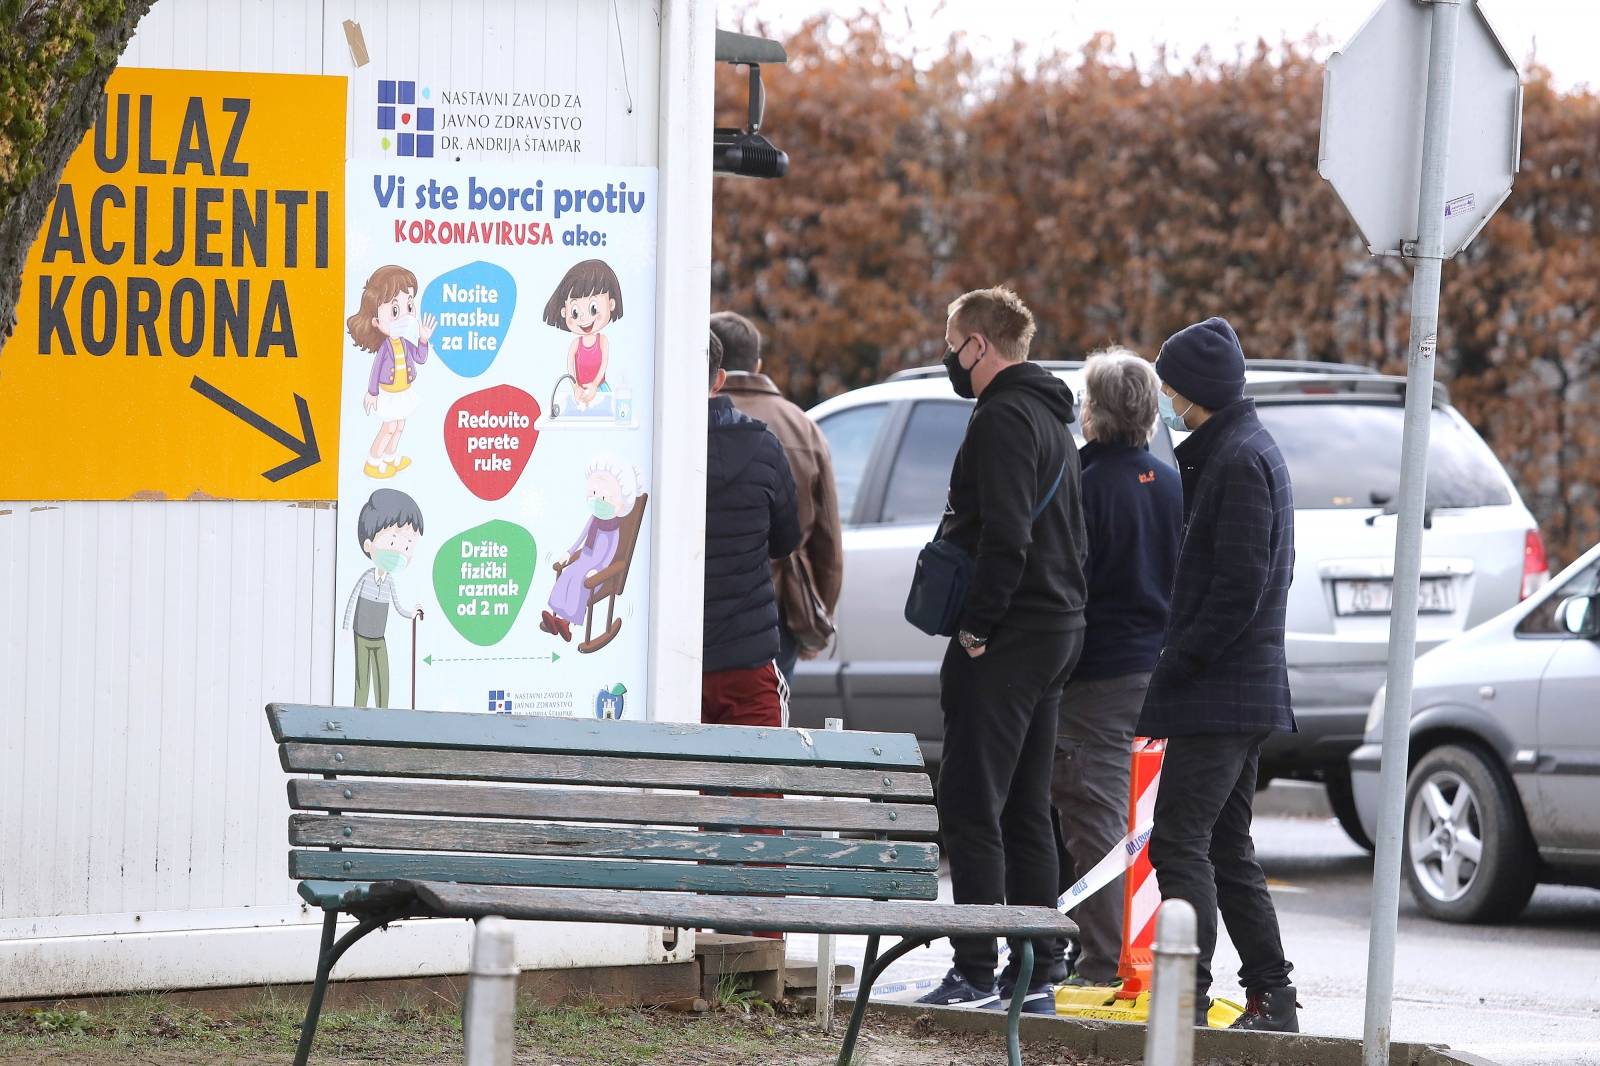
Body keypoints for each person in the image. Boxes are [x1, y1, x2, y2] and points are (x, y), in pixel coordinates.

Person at [915, 286, 1088, 1014]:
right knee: (1024, 806)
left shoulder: (1003, 419)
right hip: (1057, 629)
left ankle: (977, 968)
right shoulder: (1052, 417)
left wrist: (979, 627)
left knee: (970, 800)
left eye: (953, 343)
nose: (949, 358)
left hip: (1012, 633)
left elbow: (1009, 536)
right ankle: (1039, 964)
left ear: (979, 345)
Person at [1137, 316, 1300, 1032]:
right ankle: (1271, 997)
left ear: (1196, 392)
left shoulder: (1235, 459)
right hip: (1242, 688)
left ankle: (1186, 998)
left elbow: (1239, 587)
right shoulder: (1239, 448)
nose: (1166, 402)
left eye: (1170, 388)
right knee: (1227, 847)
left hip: (1222, 692)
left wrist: (1179, 662)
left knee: (1178, 841)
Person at [1051, 349, 1183, 988]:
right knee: (1153, 825)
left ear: (1092, 412)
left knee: (1094, 819)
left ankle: (1102, 962)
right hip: (1159, 674)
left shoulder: (1078, 484)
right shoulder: (1172, 483)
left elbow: (1064, 584)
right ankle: (1155, 956)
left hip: (1094, 679)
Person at [710, 311, 844, 686]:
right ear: (757, 364)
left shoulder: (686, 419)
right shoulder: (803, 427)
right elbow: (827, 538)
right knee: (765, 732)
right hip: (776, 610)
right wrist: (818, 615)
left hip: (699, 605)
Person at [703, 327, 802, 730]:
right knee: (756, 788)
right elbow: (786, 540)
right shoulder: (764, 447)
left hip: (665, 662)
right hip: (748, 658)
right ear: (719, 379)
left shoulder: (647, 450)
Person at [341, 488, 426, 707]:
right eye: (393, 542)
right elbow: (351, 602)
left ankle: (383, 711)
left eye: (407, 546)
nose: (400, 552)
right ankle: (358, 710)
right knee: (362, 676)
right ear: (369, 545)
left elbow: (398, 606)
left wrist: (412, 614)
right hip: (361, 634)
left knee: (382, 674)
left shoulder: (389, 582)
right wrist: (344, 627)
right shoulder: (367, 577)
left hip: (379, 636)